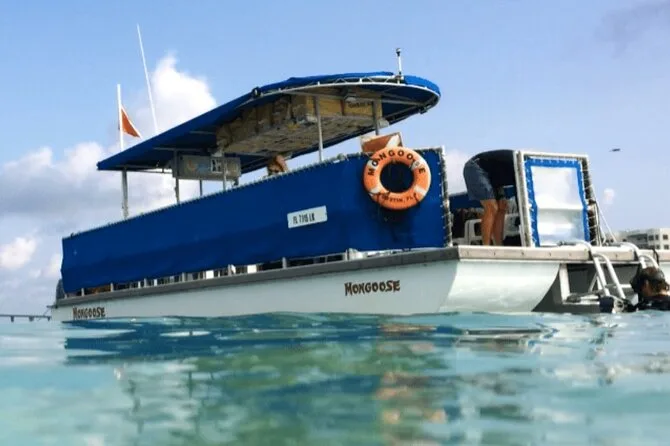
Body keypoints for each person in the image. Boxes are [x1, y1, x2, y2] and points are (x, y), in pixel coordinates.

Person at [462, 149, 516, 246]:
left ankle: (499, 245)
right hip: (475, 167)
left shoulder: (521, 167)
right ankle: (486, 246)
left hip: (494, 176)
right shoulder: (520, 165)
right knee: (491, 207)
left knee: (502, 206)